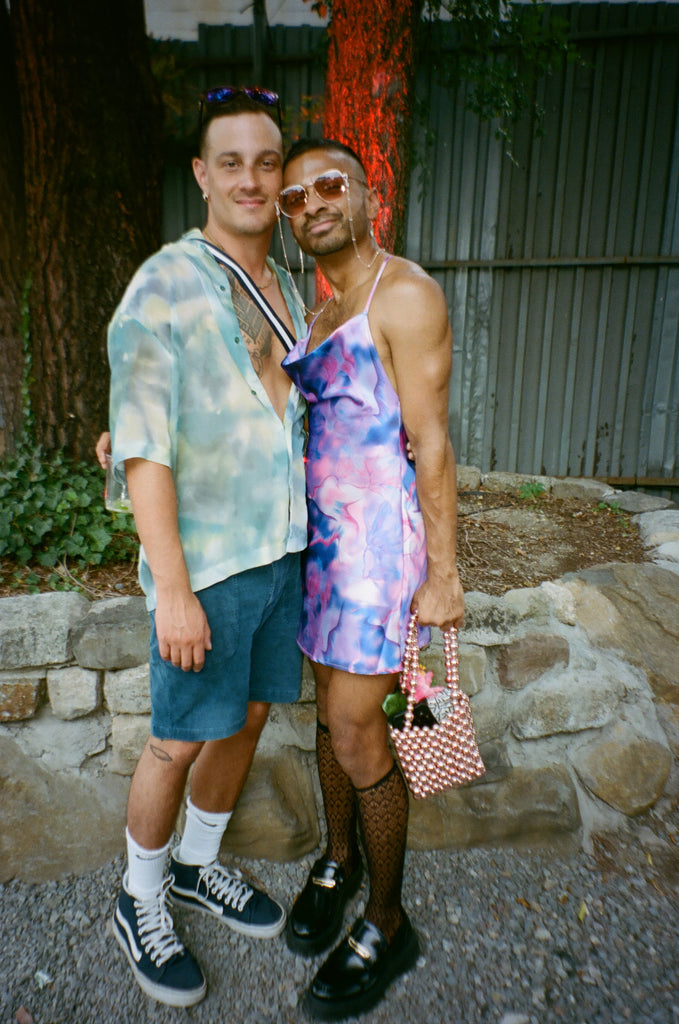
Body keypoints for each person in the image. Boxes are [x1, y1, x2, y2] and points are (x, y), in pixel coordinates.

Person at [106, 87, 308, 1008]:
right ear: (201, 174)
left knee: (250, 719)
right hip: (208, 567)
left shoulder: (286, 288)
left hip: (279, 557)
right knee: (177, 740)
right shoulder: (166, 283)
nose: (251, 179)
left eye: (266, 162)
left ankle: (195, 865)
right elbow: (143, 443)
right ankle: (138, 896)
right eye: (231, 161)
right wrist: (174, 591)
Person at [278, 139, 465, 1020]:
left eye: (328, 185)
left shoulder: (405, 293)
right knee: (329, 714)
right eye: (293, 198)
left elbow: (429, 441)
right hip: (320, 550)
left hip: (376, 557)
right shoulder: (317, 313)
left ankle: (388, 923)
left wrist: (444, 573)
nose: (311, 203)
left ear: (366, 194)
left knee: (359, 733)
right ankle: (338, 860)